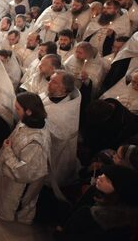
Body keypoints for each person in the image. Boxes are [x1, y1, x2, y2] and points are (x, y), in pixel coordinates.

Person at [0, 92, 50, 224]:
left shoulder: (36, 143)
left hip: (17, 181)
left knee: (5, 196)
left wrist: (7, 151)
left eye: (18, 108)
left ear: (28, 111)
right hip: (7, 166)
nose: (15, 111)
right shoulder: (29, 120)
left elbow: (23, 172)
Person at [57, 165, 138, 240]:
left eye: (108, 180)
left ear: (118, 193)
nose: (100, 177)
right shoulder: (130, 219)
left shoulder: (89, 215)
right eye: (103, 174)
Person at [41, 70, 82, 199]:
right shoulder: (53, 94)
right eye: (50, 79)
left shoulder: (65, 111)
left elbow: (61, 135)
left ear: (64, 89)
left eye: (54, 82)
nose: (49, 83)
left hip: (56, 150)